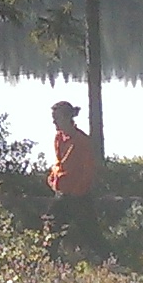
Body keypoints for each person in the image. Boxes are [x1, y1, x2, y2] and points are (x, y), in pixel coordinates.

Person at [46, 100, 99, 247]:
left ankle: (111, 259)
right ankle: (48, 260)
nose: (54, 122)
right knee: (51, 231)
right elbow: (59, 162)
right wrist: (53, 177)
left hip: (79, 197)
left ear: (66, 118)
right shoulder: (58, 138)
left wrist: (77, 191)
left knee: (92, 236)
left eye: (56, 118)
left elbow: (88, 170)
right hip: (62, 193)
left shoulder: (82, 140)